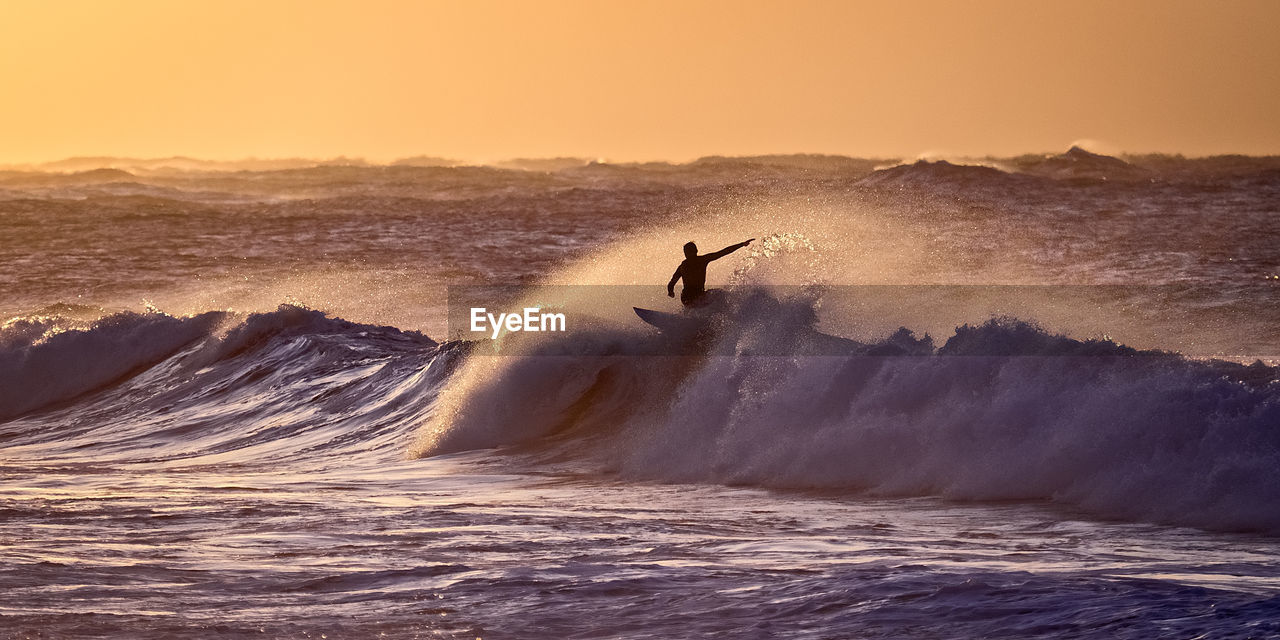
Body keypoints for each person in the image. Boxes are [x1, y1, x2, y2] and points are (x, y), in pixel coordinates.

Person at [667, 238, 754, 306]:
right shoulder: (702, 260)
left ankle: (694, 316)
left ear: (686, 253)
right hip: (695, 297)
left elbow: (671, 283)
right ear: (696, 251)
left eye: (687, 252)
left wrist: (671, 292)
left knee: (715, 295)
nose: (687, 254)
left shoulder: (683, 266)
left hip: (687, 299)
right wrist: (742, 244)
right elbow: (723, 252)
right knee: (720, 294)